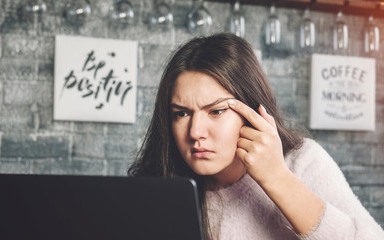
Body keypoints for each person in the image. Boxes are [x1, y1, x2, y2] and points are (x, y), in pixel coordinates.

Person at [128, 33, 384, 240]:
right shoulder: (161, 181)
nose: (195, 132)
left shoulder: (302, 161)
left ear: (252, 111)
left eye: (216, 111)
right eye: (181, 114)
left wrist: (276, 177)